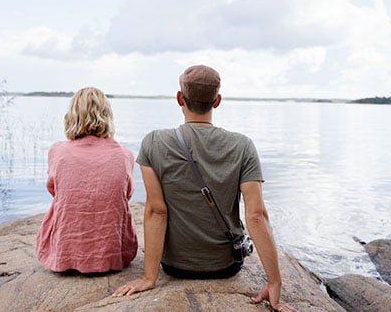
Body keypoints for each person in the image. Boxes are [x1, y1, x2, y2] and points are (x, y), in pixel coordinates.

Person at [113, 65, 296, 311]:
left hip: (174, 266)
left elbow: (156, 211)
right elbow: (256, 215)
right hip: (226, 266)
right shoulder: (243, 146)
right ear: (217, 101)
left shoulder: (154, 142)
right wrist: (274, 281)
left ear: (180, 98)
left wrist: (149, 278)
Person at [36, 87, 138, 274]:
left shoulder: (58, 152)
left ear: (72, 115)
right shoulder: (125, 155)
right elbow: (127, 194)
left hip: (64, 253)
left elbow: (54, 190)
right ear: (108, 115)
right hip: (112, 255)